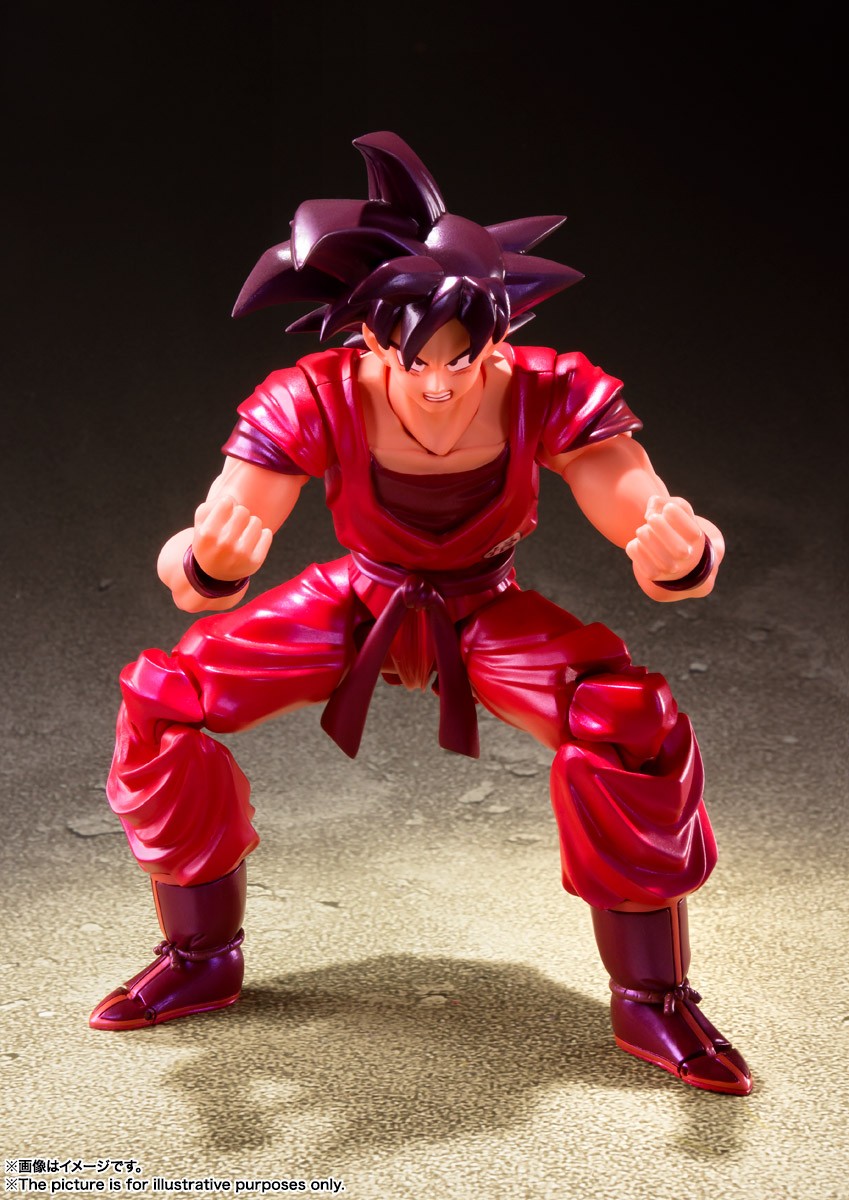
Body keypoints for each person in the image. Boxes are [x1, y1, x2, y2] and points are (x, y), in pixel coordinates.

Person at [90, 132, 751, 1096]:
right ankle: (199, 955)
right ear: (366, 339)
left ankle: (653, 995)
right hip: (356, 600)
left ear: (500, 337)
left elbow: (641, 507)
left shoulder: (548, 390)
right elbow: (206, 544)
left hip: (487, 608)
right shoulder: (312, 396)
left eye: (463, 357)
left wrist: (682, 552)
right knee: (164, 698)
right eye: (413, 359)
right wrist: (210, 564)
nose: (438, 383)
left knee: (630, 723)